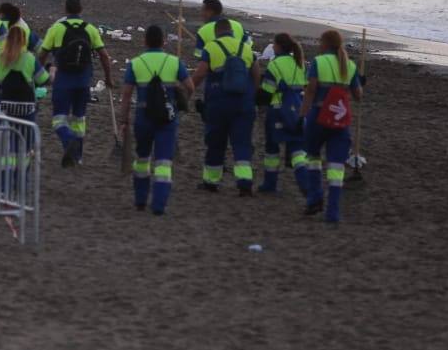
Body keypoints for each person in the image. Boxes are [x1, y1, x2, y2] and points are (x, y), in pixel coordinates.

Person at [119, 25, 194, 215]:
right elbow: (190, 87)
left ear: (145, 41)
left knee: (142, 159)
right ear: (163, 41)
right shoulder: (174, 62)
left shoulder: (135, 63)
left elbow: (126, 96)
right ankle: (159, 205)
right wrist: (180, 102)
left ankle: (140, 201)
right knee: (163, 163)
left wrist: (124, 119)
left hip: (143, 117)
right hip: (167, 118)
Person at [37, 0, 114, 168]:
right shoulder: (90, 29)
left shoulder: (56, 28)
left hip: (63, 80)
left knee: (59, 120)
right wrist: (108, 78)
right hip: (83, 80)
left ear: (65, 9)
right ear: (81, 10)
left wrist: (39, 74)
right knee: (79, 119)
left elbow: (42, 54)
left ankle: (68, 141)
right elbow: (104, 56)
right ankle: (77, 157)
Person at [192, 18, 260, 196]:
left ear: (216, 32)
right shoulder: (245, 48)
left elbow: (200, 74)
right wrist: (254, 96)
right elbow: (255, 73)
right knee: (242, 143)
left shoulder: (211, 47)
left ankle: (211, 182)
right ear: (231, 31)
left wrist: (188, 90)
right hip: (244, 103)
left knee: (216, 143)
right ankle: (245, 182)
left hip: (218, 103)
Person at [300, 29, 363, 223]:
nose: (319, 44)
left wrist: (302, 114)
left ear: (325, 43)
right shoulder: (350, 66)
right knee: (336, 167)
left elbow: (310, 90)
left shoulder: (319, 62)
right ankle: (333, 212)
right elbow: (358, 96)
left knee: (313, 158)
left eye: (320, 41)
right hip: (340, 120)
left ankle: (315, 199)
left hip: (318, 116)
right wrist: (361, 83)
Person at [0, 24, 49, 197]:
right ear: (24, 40)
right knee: (26, 148)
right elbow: (43, 80)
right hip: (27, 108)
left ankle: (5, 186)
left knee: (6, 149)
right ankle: (22, 184)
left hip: (6, 107)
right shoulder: (30, 58)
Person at [257, 33, 308, 195]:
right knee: (297, 150)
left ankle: (270, 184)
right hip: (298, 110)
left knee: (272, 149)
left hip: (278, 111)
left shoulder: (275, 65)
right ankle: (305, 184)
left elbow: (267, 92)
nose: (272, 46)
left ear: (279, 46)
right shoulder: (300, 64)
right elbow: (304, 86)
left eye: (274, 44)